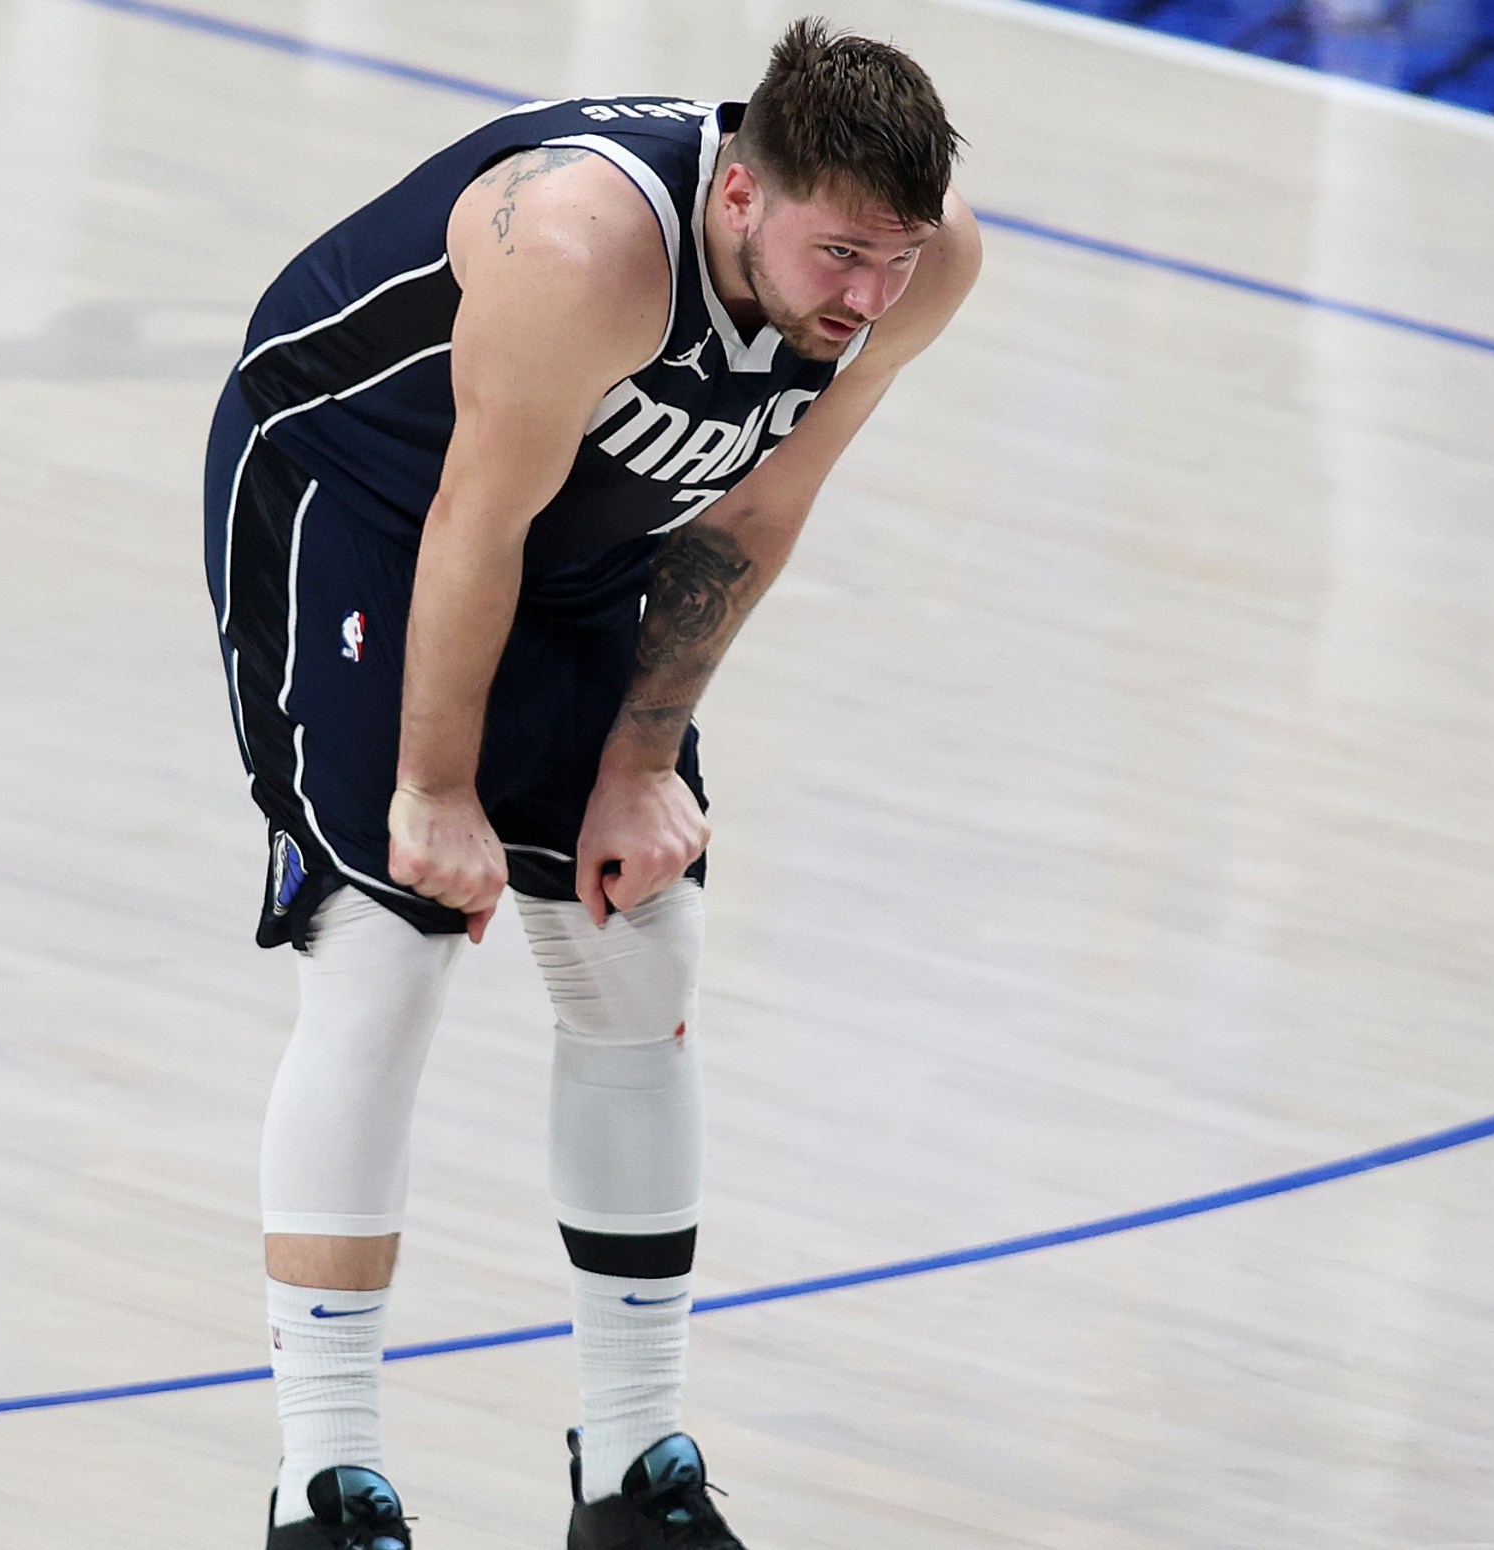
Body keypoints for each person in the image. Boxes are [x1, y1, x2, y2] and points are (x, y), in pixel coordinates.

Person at [202, 18, 978, 1548]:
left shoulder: (921, 264)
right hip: (362, 496)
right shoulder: (582, 239)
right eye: (839, 258)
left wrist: (636, 763)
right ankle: (325, 1482)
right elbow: (470, 523)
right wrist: (434, 789)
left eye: (891, 261)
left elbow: (762, 502)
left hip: (575, 533)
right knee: (391, 945)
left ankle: (632, 1468)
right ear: (743, 199)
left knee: (641, 945)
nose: (868, 298)